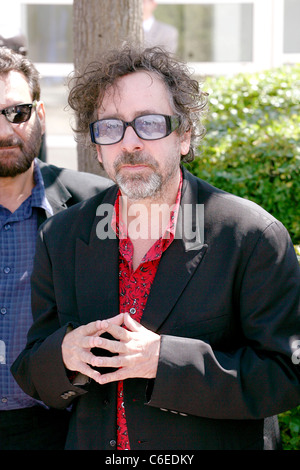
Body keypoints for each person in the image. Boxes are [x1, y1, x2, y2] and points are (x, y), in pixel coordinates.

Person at [12, 44, 300, 451]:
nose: (130, 143)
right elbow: (30, 368)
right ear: (97, 147)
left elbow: (286, 377)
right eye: (111, 127)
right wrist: (64, 356)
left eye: (149, 123)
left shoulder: (251, 235)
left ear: (184, 135)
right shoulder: (61, 236)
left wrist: (162, 361)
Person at [0, 46, 112, 450]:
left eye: (17, 113)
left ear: (40, 115)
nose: (4, 131)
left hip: (67, 427)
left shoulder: (99, 205)